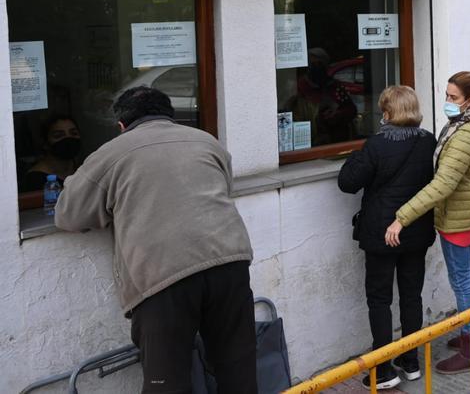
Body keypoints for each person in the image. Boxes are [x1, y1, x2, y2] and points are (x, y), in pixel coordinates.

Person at [55, 86, 256, 393]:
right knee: (237, 370)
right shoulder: (206, 141)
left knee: (167, 382)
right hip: (230, 260)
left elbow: (69, 215)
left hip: (165, 275)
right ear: (169, 115)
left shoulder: (112, 152)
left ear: (122, 125)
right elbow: (223, 186)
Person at [389, 71, 470, 374]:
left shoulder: (464, 135)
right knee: (469, 273)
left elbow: (443, 185)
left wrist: (402, 217)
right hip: (469, 210)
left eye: (453, 98)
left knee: (461, 280)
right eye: (447, 95)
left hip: (458, 217)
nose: (447, 102)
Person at [338, 85, 436, 388]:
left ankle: (382, 371)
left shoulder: (376, 144)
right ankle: (410, 362)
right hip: (416, 229)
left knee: (379, 299)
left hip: (382, 233)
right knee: (411, 295)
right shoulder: (427, 140)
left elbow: (348, 183)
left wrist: (356, 154)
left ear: (388, 112)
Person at [285, 47, 358, 145]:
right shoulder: (299, 87)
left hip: (336, 140)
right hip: (310, 140)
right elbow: (292, 113)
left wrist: (337, 114)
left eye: (320, 64)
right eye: (313, 64)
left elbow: (351, 109)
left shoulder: (334, 86)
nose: (317, 67)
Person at [20, 114, 83, 192]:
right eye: (58, 136)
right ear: (45, 143)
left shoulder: (82, 170)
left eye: (74, 133)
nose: (68, 138)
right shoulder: (35, 180)